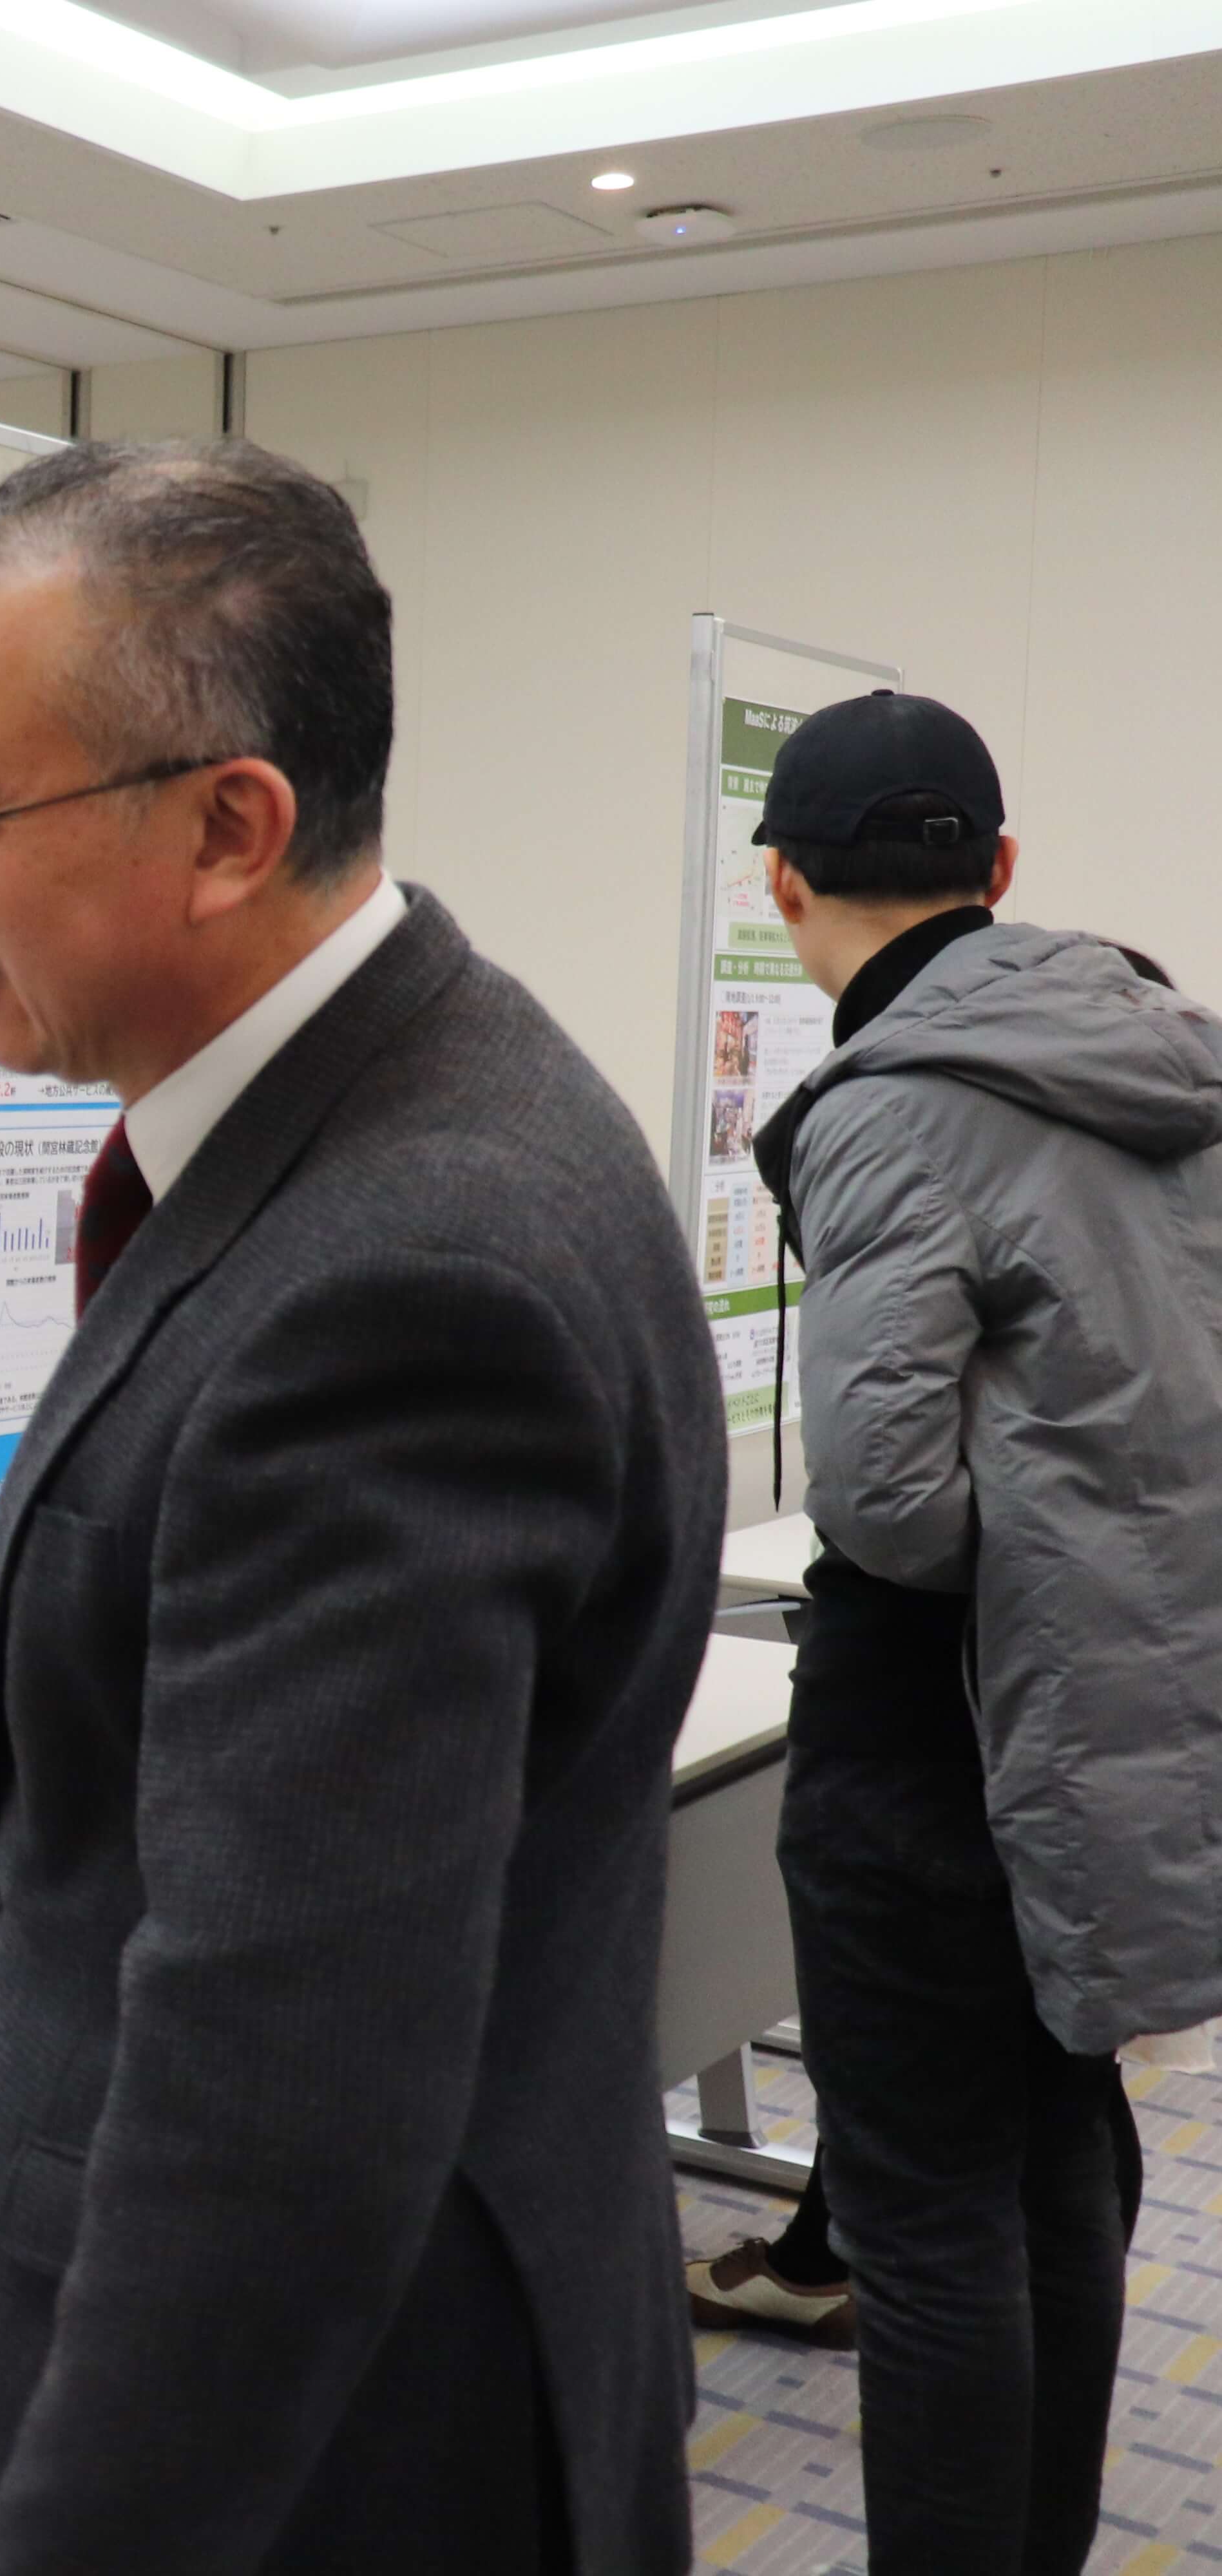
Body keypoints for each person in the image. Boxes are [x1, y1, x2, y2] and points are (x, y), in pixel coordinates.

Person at [0, 438, 720, 2574]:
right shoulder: (424, 1099)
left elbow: (277, 2110)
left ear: (229, 828)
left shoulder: (402, 1277)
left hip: (332, 2461)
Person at [714, 690, 1222, 2575]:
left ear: (785, 885)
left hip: (933, 1720)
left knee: (927, 2215)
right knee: (1061, 2152)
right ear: (1000, 867)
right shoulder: (1167, 1054)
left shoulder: (890, 1106)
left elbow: (886, 1503)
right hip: (1121, 1693)